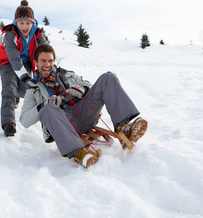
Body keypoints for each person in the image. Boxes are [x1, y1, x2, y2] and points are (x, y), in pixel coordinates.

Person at [20, 44, 148, 168]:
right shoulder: (33, 89)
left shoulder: (66, 74)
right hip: (63, 124)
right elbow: (24, 120)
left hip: (84, 112)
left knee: (108, 78)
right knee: (47, 109)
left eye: (50, 60)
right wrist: (44, 105)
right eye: (43, 61)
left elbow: (90, 87)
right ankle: (79, 152)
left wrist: (83, 89)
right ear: (36, 62)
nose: (47, 65)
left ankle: (123, 127)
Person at [0, 0, 47, 137]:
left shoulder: (37, 35)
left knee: (26, 90)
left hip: (26, 62)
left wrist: (48, 70)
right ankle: (8, 123)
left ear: (33, 23)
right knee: (9, 89)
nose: (25, 26)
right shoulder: (10, 35)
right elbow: (14, 59)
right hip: (7, 61)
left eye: (28, 23)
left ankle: (17, 96)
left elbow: (45, 52)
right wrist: (25, 77)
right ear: (16, 23)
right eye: (21, 23)